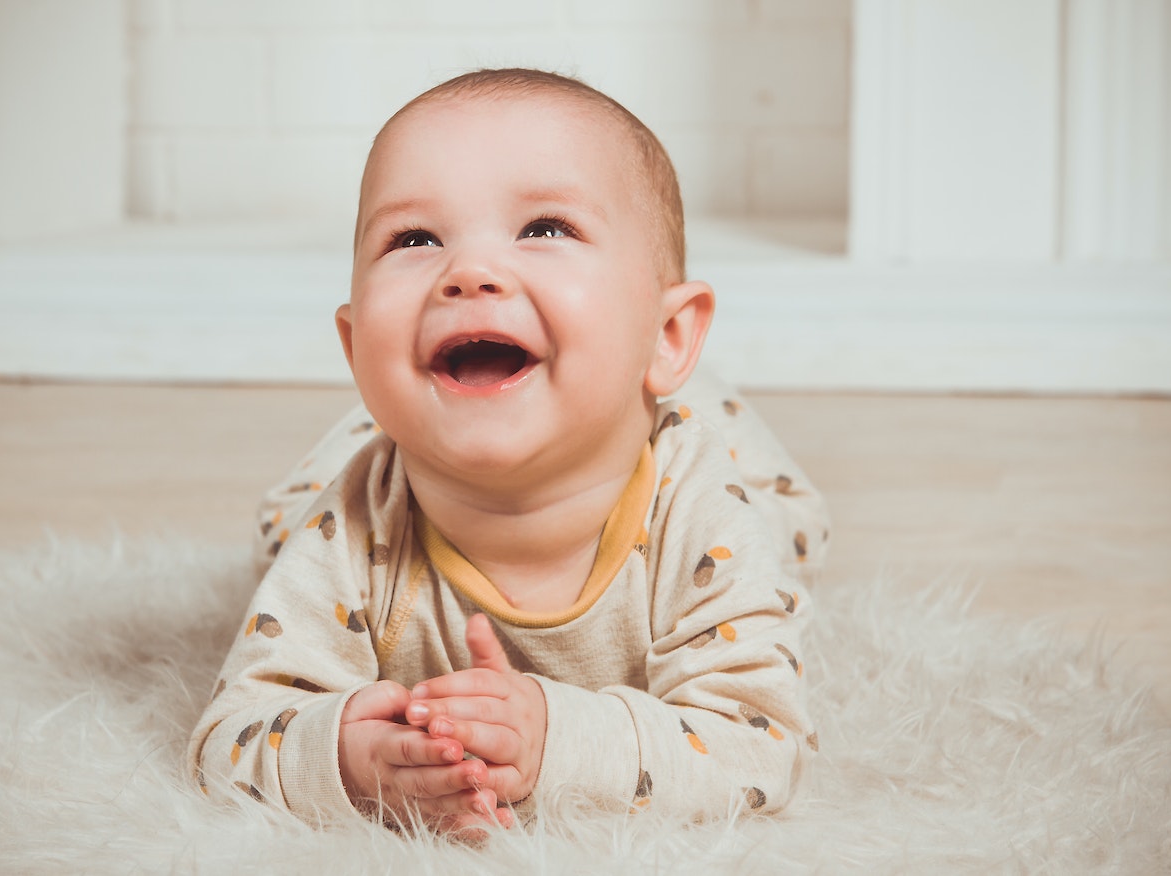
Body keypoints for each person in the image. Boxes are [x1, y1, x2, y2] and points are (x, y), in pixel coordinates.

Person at [189, 68, 829, 834]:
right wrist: (347, 760)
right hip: (394, 431)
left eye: (545, 229)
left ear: (668, 334)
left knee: (790, 532)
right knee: (284, 527)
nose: (469, 273)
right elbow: (230, 739)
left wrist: (557, 738)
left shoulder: (701, 512)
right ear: (357, 349)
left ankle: (679, 383)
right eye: (414, 239)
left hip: (700, 443)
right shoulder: (355, 527)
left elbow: (759, 748)